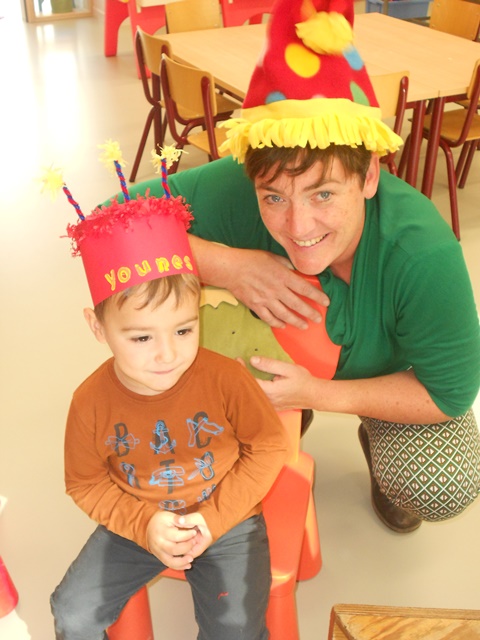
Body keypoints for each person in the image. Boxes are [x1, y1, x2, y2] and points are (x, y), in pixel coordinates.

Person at [123, 0, 480, 534]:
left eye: (324, 194)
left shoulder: (423, 254)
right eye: (273, 198)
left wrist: (315, 393)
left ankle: (364, 423)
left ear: (369, 177)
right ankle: (283, 414)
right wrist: (228, 265)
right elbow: (108, 224)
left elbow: (447, 394)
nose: (298, 225)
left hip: (390, 378)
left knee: (443, 481)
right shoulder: (246, 181)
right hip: (280, 355)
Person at [48, 144, 289, 639]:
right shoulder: (89, 403)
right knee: (71, 612)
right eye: (141, 338)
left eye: (183, 329)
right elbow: (85, 483)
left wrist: (214, 519)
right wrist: (144, 525)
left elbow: (267, 446)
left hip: (227, 518)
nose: (167, 355)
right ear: (98, 327)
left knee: (238, 629)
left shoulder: (225, 379)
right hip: (139, 518)